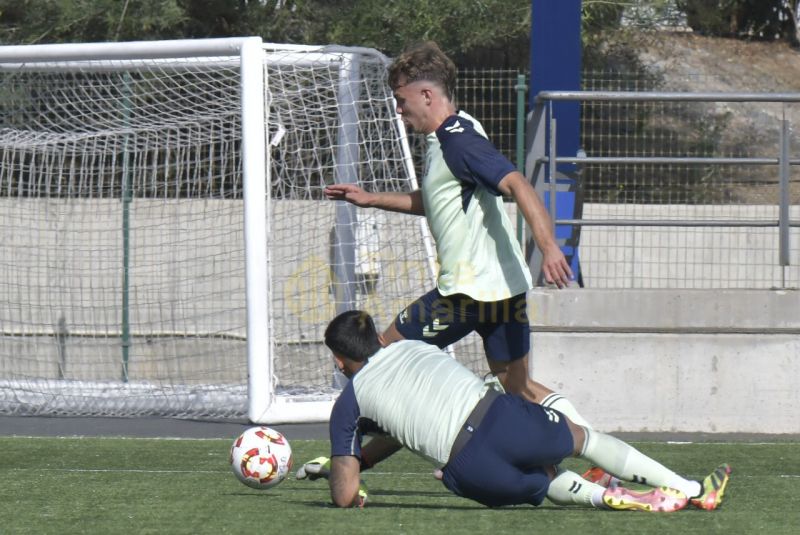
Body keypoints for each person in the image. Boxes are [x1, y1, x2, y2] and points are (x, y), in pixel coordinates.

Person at [323, 41, 588, 426]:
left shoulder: (458, 141)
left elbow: (517, 184)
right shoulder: (461, 130)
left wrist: (549, 248)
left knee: (380, 359)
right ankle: (590, 444)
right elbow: (436, 201)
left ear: (426, 94)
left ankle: (347, 456)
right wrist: (370, 199)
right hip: (504, 287)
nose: (399, 110)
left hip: (466, 292)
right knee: (518, 388)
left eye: (401, 99)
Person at [297, 310, 731, 511]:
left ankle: (607, 498)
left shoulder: (348, 405)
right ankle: (691, 489)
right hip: (498, 418)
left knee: (547, 481)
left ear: (339, 360)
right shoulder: (413, 344)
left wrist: (349, 470)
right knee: (584, 439)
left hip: (468, 470)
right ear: (375, 337)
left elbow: (345, 495)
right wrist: (357, 463)